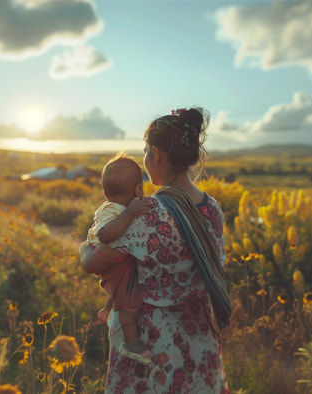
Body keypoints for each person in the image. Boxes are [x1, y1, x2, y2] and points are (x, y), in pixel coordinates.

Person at [80, 107, 232, 393]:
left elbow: (94, 262)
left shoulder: (147, 215)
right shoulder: (213, 209)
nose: (145, 159)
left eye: (146, 151)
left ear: (157, 155)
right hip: (200, 338)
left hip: (154, 343)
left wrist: (84, 247)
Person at [86, 152, 152, 364]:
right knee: (128, 303)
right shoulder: (114, 210)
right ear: (138, 190)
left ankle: (106, 310)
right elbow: (105, 235)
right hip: (107, 257)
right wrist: (130, 213)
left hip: (111, 258)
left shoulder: (115, 207)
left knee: (121, 287)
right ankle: (131, 342)